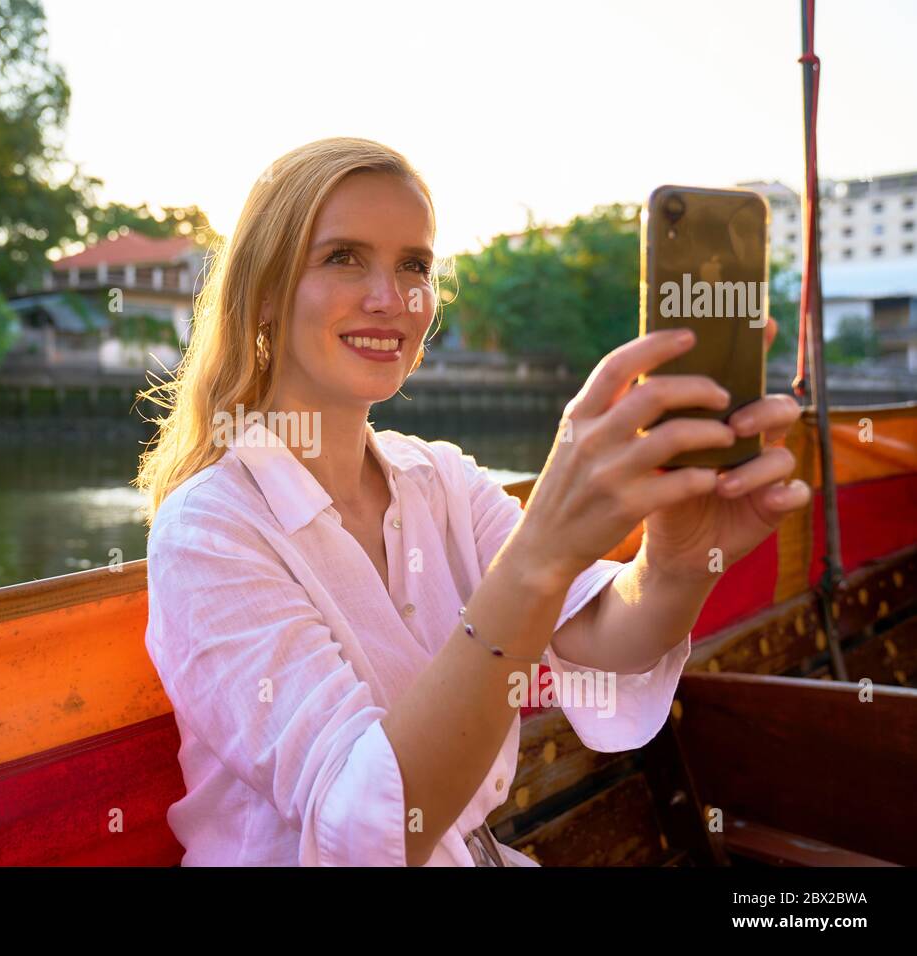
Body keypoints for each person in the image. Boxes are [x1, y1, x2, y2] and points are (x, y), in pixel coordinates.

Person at [133, 136, 808, 866]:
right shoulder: (209, 531)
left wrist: (676, 561)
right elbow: (370, 831)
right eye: (343, 257)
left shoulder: (441, 477)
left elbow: (602, 636)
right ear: (263, 293)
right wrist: (540, 555)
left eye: (414, 265)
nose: (390, 299)